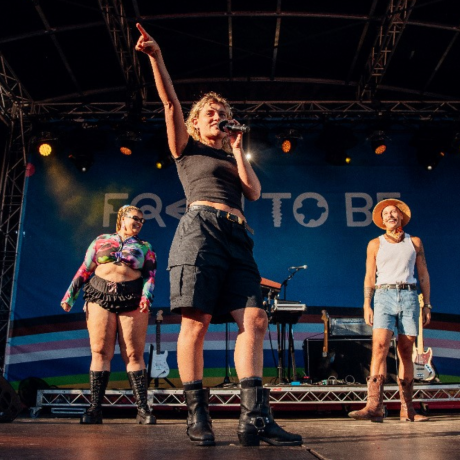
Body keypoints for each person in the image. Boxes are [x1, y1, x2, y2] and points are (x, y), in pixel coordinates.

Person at [135, 23, 302, 447]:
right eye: (209, 113)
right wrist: (157, 57)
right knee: (196, 322)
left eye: (220, 113)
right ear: (195, 123)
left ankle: (254, 420)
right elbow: (170, 104)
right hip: (200, 232)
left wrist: (236, 148)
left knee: (257, 319)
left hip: (237, 237)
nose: (216, 117)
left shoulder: (230, 155)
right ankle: (198, 415)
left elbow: (254, 191)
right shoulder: (186, 148)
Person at [61, 205, 157, 425]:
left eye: (142, 221)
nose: (140, 223)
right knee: (100, 351)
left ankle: (142, 409)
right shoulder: (101, 240)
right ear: (122, 218)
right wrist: (69, 296)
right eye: (136, 219)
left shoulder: (145, 247)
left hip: (131, 298)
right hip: (99, 295)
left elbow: (150, 276)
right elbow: (84, 269)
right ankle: (95, 408)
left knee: (133, 354)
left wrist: (146, 297)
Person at [349, 198, 431, 423]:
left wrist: (428, 305)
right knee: (379, 347)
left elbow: (423, 274)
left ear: (401, 216)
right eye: (386, 214)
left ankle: (407, 410)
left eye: (394, 213)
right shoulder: (375, 244)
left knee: (406, 350)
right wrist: (367, 303)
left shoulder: (414, 242)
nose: (390, 216)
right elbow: (369, 275)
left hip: (409, 295)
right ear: (381, 220)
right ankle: (374, 406)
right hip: (384, 296)